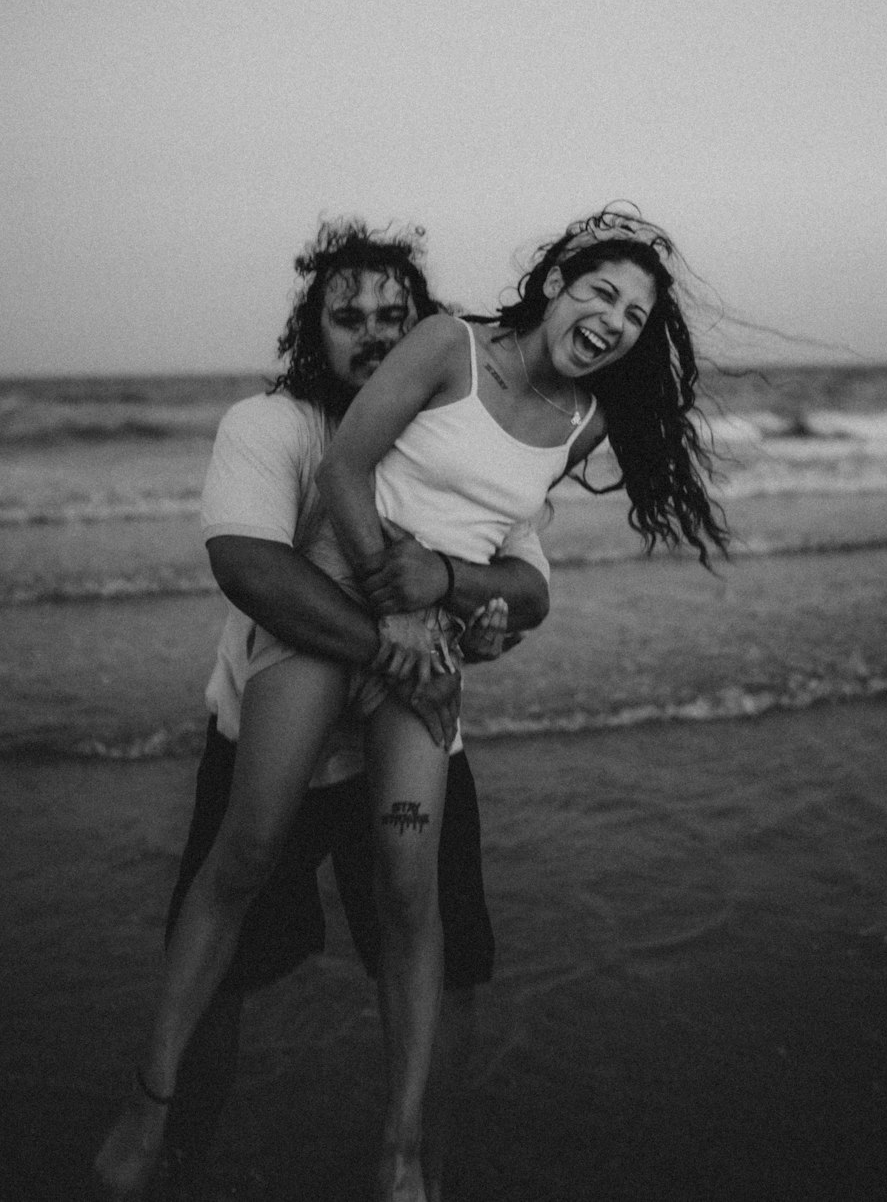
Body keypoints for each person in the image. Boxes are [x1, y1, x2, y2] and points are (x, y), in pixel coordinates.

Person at [251, 200, 728, 1199]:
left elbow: (509, 562)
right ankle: (161, 1103)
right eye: (601, 290)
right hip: (349, 618)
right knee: (248, 858)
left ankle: (404, 1150)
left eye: (634, 315)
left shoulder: (586, 422)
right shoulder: (446, 345)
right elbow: (345, 468)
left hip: (426, 660)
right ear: (556, 282)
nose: (612, 319)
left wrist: (471, 606)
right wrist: (400, 601)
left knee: (407, 890)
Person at [95, 220, 550, 1202]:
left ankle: (419, 1163)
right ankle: (178, 1146)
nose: (373, 335)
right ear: (314, 329)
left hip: (421, 741)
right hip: (268, 743)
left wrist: (467, 594)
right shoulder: (272, 426)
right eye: (348, 317)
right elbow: (253, 569)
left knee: (440, 948)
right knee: (222, 952)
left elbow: (525, 575)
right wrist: (399, 643)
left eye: (395, 316)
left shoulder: (461, 431)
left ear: (424, 329)